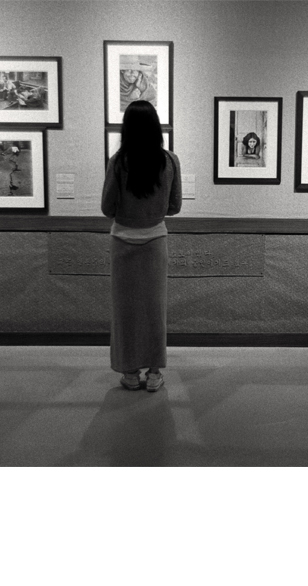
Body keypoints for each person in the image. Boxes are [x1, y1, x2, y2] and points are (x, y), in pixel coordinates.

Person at [101, 100, 182, 392]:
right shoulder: (169, 161)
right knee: (154, 309)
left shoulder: (118, 161)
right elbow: (174, 207)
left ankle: (130, 372)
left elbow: (107, 208)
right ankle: (155, 372)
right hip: (155, 241)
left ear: (127, 128)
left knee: (125, 311)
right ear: (155, 127)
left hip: (122, 240)